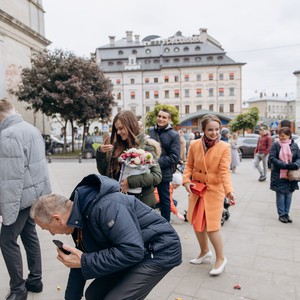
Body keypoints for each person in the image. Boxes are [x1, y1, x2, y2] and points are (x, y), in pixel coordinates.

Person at [30, 174, 182, 300]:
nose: (52, 233)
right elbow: (79, 263)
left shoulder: (106, 207)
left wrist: (84, 261)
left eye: (47, 228)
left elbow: (132, 251)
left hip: (160, 250)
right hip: (136, 249)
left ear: (57, 219)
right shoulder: (78, 217)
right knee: (94, 295)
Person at [0, 99, 51, 300]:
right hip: (33, 195)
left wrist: (7, 211)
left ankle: (18, 289)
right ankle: (35, 280)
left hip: (20, 197)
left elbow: (11, 180)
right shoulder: (31, 129)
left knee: (6, 240)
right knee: (29, 235)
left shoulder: (8, 135)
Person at [182, 114, 235, 276]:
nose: (214, 133)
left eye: (217, 129)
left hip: (214, 190)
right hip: (197, 189)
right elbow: (189, 165)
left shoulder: (224, 147)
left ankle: (220, 258)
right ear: (203, 130)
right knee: (197, 223)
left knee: (212, 227)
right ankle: (204, 251)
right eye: (210, 130)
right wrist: (185, 180)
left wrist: (229, 191)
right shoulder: (195, 144)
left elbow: (225, 172)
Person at [96, 110, 162, 208]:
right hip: (119, 202)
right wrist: (101, 154)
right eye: (116, 129)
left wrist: (130, 182)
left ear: (130, 125)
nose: (118, 132)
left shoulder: (146, 146)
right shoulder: (115, 146)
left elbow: (157, 176)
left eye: (121, 128)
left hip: (142, 204)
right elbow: (105, 173)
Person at [149, 109, 180, 222]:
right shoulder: (150, 131)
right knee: (148, 198)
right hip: (149, 172)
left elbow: (175, 157)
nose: (161, 119)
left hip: (164, 173)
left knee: (165, 200)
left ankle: (166, 225)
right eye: (159, 116)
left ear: (169, 120)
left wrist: (155, 162)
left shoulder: (174, 135)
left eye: (164, 117)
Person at [269, 127, 300, 223]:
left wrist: (295, 165)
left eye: (283, 136)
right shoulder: (275, 145)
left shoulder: (294, 145)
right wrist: (285, 165)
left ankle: (287, 213)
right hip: (279, 174)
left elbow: (299, 158)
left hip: (291, 174)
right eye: (279, 136)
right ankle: (281, 214)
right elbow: (272, 158)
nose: (281, 138)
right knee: (281, 194)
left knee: (289, 194)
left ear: (289, 135)